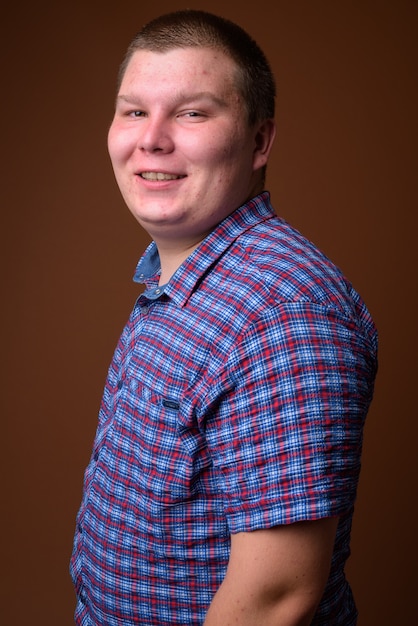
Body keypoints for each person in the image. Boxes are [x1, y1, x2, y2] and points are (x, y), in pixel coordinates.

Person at [70, 9, 378, 625]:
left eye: (192, 113)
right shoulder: (184, 279)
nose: (151, 139)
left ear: (260, 141)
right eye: (134, 111)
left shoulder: (284, 313)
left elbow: (274, 601)